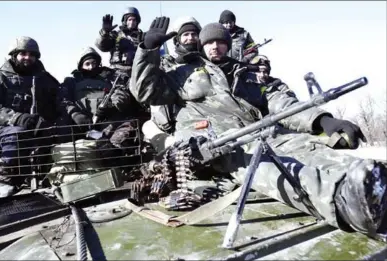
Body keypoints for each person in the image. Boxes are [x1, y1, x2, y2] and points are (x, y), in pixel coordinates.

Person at [129, 18, 387, 240]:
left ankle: (368, 180)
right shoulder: (180, 75)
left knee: (304, 147)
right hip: (220, 148)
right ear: (201, 46)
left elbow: (281, 102)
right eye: (208, 43)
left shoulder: (245, 73)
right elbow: (144, 91)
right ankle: (344, 202)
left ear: (228, 44)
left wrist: (323, 121)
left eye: (219, 41)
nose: (214, 46)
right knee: (266, 166)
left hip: (265, 134)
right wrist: (147, 50)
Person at [0, 36, 60, 199]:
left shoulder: (44, 79)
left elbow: (58, 101)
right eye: (23, 53)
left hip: (36, 128)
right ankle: (4, 182)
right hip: (2, 129)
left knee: (63, 133)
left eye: (32, 54)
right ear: (14, 55)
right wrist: (17, 118)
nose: (28, 57)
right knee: (18, 134)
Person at [57, 47, 145, 165]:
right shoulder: (71, 82)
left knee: (115, 149)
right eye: (87, 64)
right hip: (81, 127)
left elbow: (121, 93)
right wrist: (75, 114)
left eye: (94, 63)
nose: (91, 67)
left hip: (110, 124)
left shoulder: (111, 77)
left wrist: (110, 106)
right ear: (80, 66)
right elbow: (63, 100)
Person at [145, 16, 202, 150]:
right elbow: (145, 86)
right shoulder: (167, 65)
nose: (190, 38)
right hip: (174, 124)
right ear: (177, 40)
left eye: (194, 34)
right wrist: (148, 51)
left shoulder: (207, 63)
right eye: (186, 34)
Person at [95, 7, 144, 76]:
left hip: (137, 72)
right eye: (129, 20)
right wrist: (105, 33)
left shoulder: (142, 37)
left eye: (134, 20)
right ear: (125, 21)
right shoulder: (116, 35)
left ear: (137, 22)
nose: (132, 22)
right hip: (117, 72)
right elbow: (102, 46)